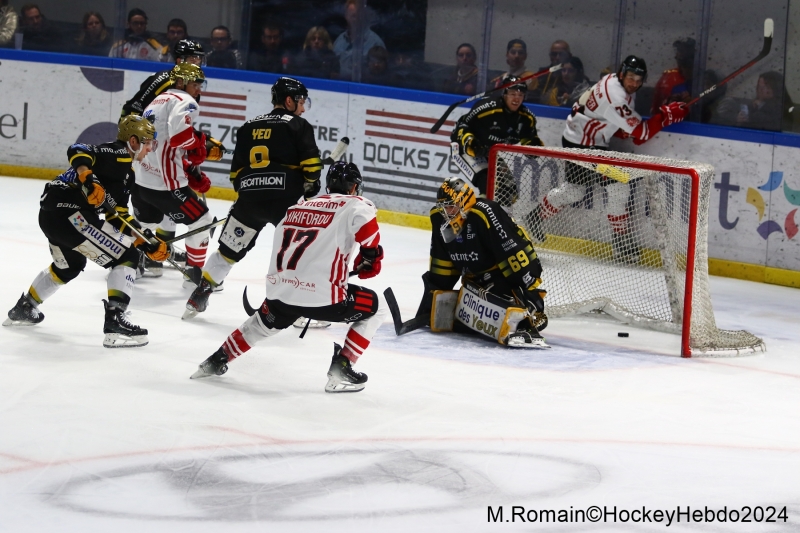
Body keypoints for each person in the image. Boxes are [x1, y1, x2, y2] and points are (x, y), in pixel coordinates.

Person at [190, 161, 388, 394]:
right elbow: (366, 226)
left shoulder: (296, 208)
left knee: (257, 326)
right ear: (354, 187)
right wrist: (370, 255)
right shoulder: (356, 203)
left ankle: (215, 360)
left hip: (281, 294)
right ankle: (342, 366)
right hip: (326, 300)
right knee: (379, 308)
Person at [3, 116, 168, 348]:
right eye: (148, 142)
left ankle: (26, 306)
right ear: (133, 141)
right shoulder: (118, 154)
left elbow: (117, 214)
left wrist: (145, 239)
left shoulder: (127, 175)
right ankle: (115, 322)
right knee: (127, 256)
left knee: (69, 265)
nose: (151, 147)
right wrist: (87, 177)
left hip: (51, 215)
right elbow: (78, 148)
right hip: (71, 215)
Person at [184, 77, 323, 319]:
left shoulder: (248, 126)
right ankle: (300, 310)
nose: (302, 107)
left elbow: (235, 174)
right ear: (289, 100)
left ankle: (200, 294)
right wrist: (311, 185)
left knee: (228, 251)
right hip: (287, 201)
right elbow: (311, 166)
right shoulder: (298, 125)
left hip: (249, 199)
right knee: (299, 254)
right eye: (301, 102)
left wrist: (250, 192)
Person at [526, 55, 689, 263]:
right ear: (622, 75)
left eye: (639, 80)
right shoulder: (616, 97)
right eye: (631, 78)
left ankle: (618, 240)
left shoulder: (614, 80)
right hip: (584, 146)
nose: (634, 84)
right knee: (596, 188)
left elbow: (621, 124)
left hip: (587, 139)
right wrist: (667, 116)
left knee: (602, 187)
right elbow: (642, 133)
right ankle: (619, 240)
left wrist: (625, 128)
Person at [411, 176, 548, 349]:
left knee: (501, 304)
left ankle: (526, 317)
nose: (446, 213)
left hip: (502, 276)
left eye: (451, 206)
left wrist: (529, 290)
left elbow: (511, 250)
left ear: (465, 202)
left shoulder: (484, 213)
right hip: (473, 282)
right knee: (465, 321)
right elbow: (442, 261)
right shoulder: (439, 218)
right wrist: (433, 295)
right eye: (443, 207)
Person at [131, 63, 215, 286]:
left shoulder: (155, 101)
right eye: (195, 84)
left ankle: (137, 266)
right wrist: (200, 144)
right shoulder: (183, 100)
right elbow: (180, 137)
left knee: (146, 226)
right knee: (203, 222)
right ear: (181, 83)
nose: (199, 90)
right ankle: (193, 277)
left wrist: (186, 168)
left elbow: (160, 144)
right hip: (166, 187)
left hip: (140, 182)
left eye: (200, 85)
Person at [450, 75, 543, 195]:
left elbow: (529, 139)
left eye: (520, 95)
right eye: (512, 94)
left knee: (508, 194)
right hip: (464, 149)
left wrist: (533, 148)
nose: (516, 99)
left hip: (490, 152)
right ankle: (478, 213)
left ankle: (490, 212)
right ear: (504, 94)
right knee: (488, 187)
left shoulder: (526, 118)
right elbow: (462, 124)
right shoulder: (487, 108)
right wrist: (470, 142)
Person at [333, 0, 386, 81]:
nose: (355, 19)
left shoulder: (375, 43)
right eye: (353, 16)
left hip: (365, 90)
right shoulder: (339, 41)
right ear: (346, 16)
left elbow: (382, 76)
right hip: (340, 89)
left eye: (359, 16)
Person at [651, 38, 695, 113]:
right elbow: (656, 109)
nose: (680, 62)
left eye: (685, 60)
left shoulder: (706, 80)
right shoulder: (667, 78)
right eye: (678, 58)